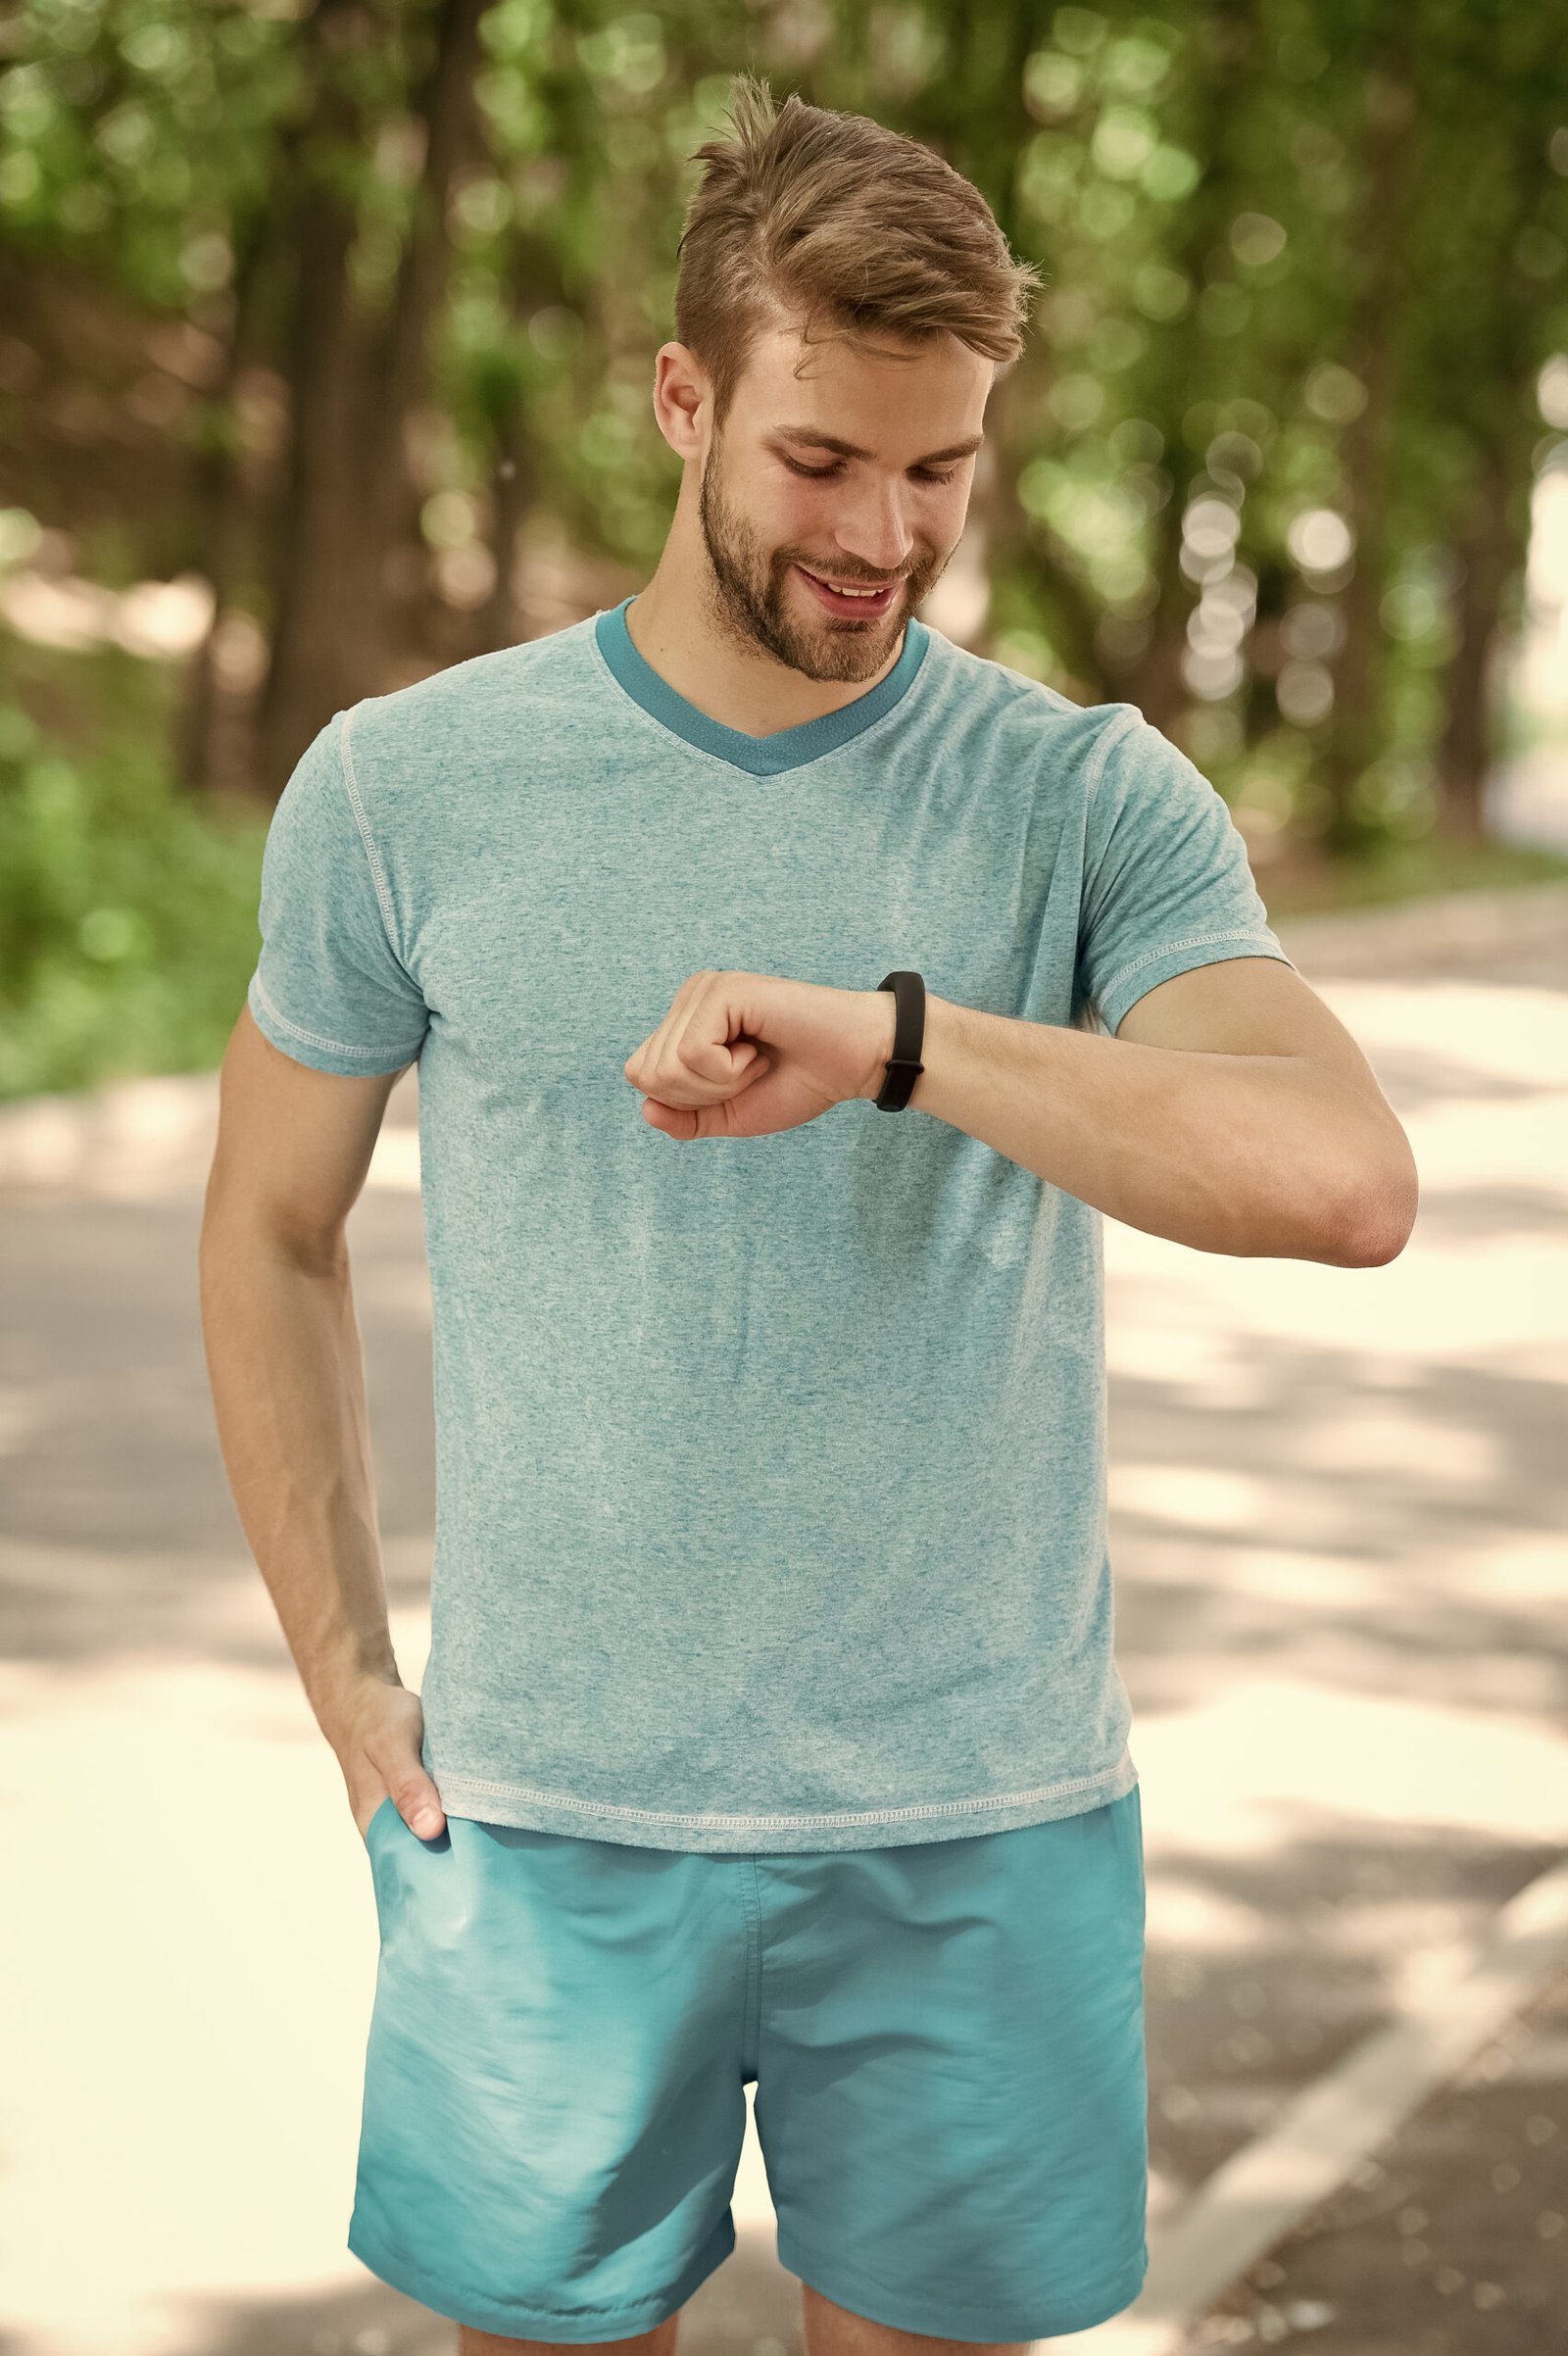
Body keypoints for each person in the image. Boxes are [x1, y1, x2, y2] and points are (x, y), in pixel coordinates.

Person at [199, 69, 1417, 2356]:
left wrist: (899, 1034)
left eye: (940, 466)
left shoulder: (1076, 798)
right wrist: (349, 1679)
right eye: (818, 457)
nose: (882, 531)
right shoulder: (402, 788)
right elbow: (269, 1221)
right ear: (683, 398)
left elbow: (1340, 1182)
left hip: (977, 1817)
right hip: (546, 1825)